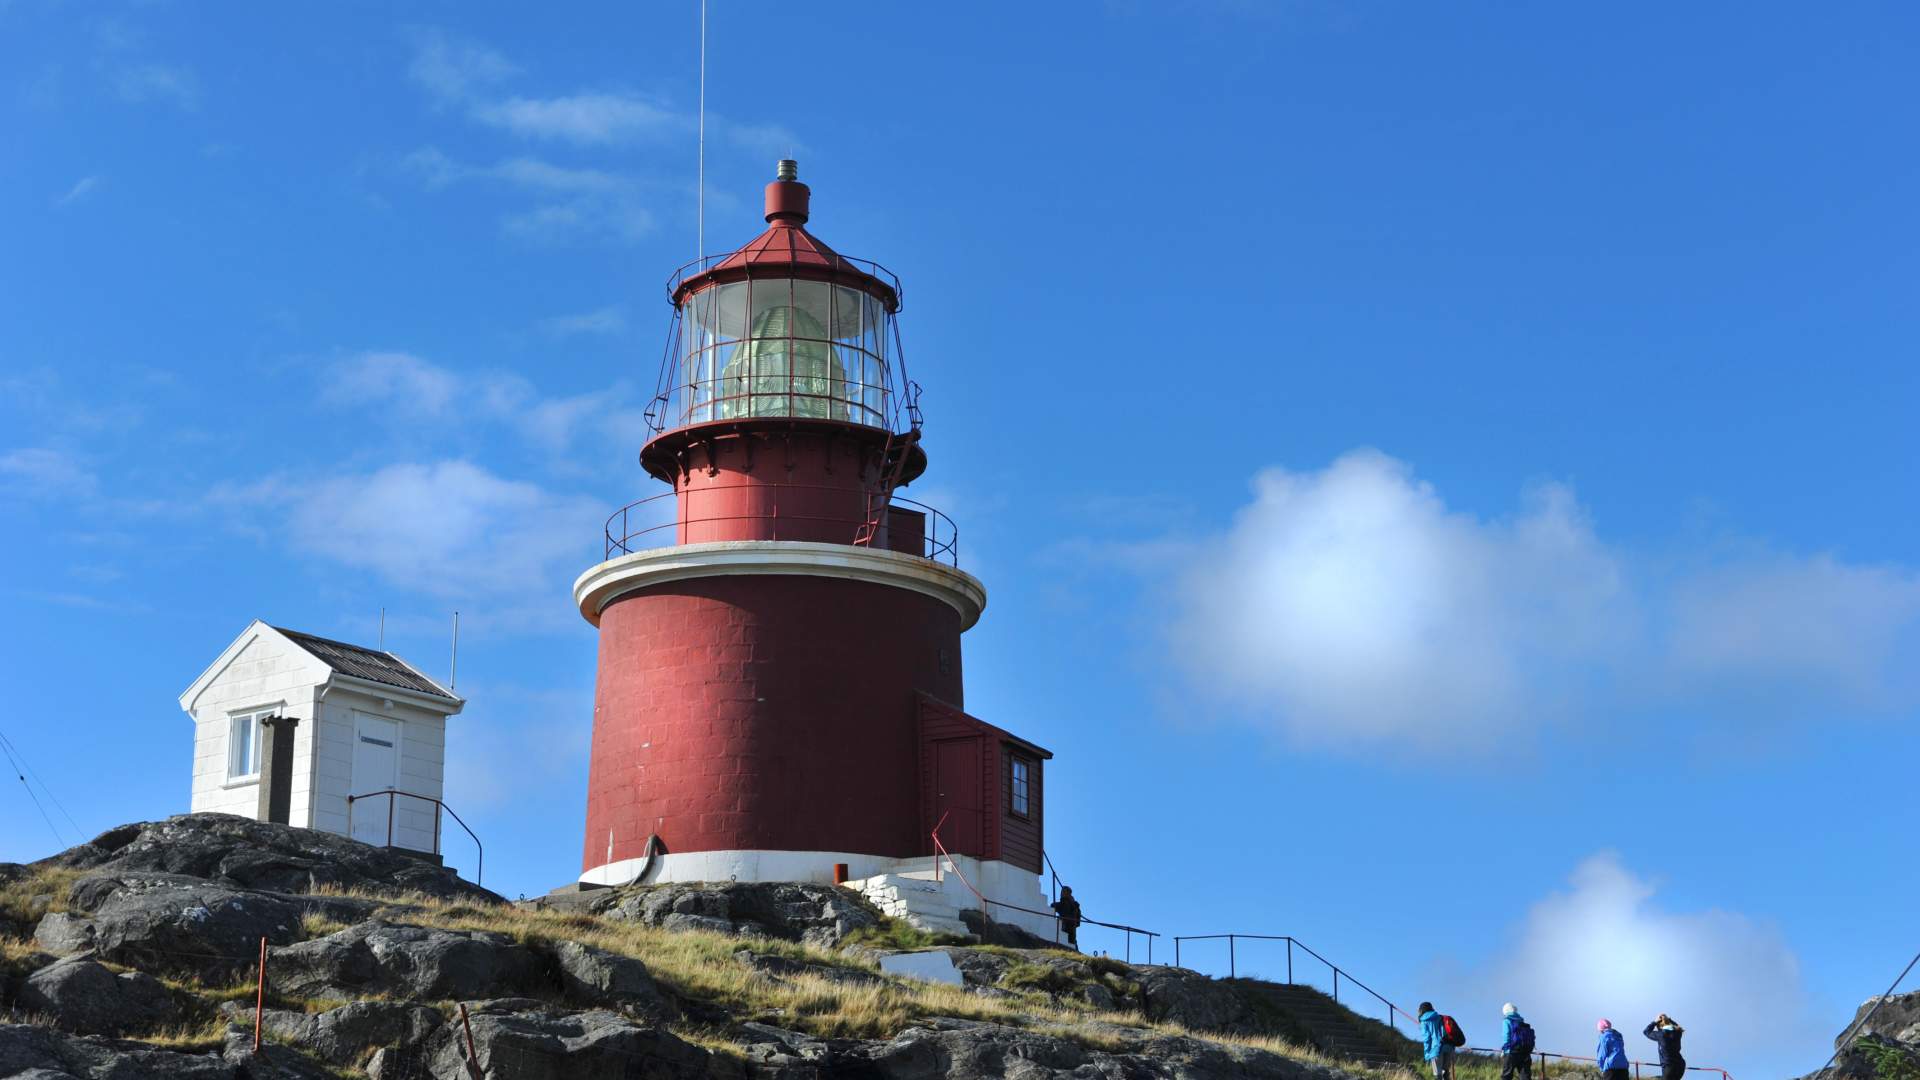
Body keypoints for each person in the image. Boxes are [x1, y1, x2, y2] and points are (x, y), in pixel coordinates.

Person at [1419, 1001, 1455, 1080]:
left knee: (1438, 1075)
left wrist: (1427, 1054)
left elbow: (1427, 1039)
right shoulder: (1441, 1017)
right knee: (1446, 1073)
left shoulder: (1424, 1021)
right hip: (1449, 1047)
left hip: (1436, 1049)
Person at [1644, 1014, 1686, 1080]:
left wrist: (1654, 1022)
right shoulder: (1677, 1032)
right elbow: (1677, 1026)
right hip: (1680, 1066)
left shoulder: (1661, 1034)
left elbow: (1646, 1031)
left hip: (1669, 1066)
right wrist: (1669, 1020)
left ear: (1659, 1026)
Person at [1499, 1002, 1533, 1080]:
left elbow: (1506, 1036)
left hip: (1511, 1052)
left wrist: (1504, 1050)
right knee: (1525, 1077)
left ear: (1505, 1011)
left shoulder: (1507, 1020)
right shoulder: (1522, 1022)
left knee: (1506, 1076)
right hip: (1525, 1053)